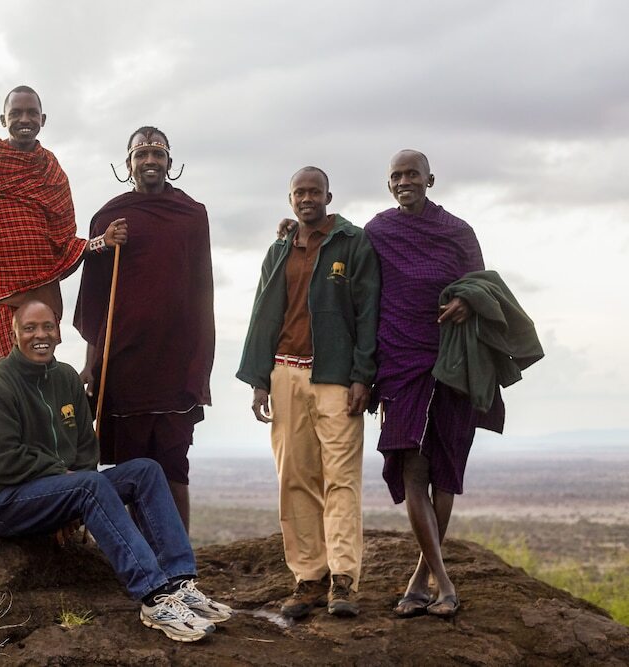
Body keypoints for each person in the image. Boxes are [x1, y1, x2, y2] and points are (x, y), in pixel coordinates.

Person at [0, 300, 231, 642]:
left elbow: (86, 448)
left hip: (57, 491)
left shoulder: (66, 379)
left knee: (145, 471)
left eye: (47, 326)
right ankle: (154, 598)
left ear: (58, 332)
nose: (40, 335)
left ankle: (180, 582)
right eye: (29, 328)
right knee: (88, 486)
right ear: (14, 335)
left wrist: (68, 499)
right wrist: (62, 479)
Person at [364, 150, 502, 619]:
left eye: (412, 174)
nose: (404, 181)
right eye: (396, 176)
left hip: (453, 361)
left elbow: (485, 285)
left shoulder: (457, 232)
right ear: (388, 184)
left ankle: (421, 579)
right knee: (412, 468)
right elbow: (344, 259)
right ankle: (443, 583)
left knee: (444, 469)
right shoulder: (378, 231)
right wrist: (289, 232)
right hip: (400, 360)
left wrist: (467, 300)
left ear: (430, 179)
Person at [237, 167, 379, 619]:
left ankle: (343, 579)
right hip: (285, 373)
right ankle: (309, 578)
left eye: (314, 191)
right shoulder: (279, 249)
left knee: (341, 478)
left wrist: (363, 375)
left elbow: (368, 313)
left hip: (336, 377)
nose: (306, 198)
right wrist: (259, 380)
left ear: (328, 196)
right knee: (294, 479)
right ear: (290, 199)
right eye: (299, 192)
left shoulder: (353, 243)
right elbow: (263, 314)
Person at [74, 127, 214, 531]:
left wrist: (200, 360)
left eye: (157, 153)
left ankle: (179, 556)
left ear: (170, 161)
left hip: (176, 360)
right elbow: (95, 298)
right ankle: (140, 556)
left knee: (174, 466)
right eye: (141, 154)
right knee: (133, 468)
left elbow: (202, 290)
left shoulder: (192, 214)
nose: (149, 161)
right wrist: (92, 364)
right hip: (125, 362)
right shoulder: (110, 217)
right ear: (128, 163)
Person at [0, 85, 126, 364]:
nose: (25, 119)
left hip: (43, 294)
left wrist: (101, 242)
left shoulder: (51, 170)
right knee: (3, 373)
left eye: (32, 113)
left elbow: (65, 242)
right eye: (16, 113)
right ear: (3, 120)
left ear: (42, 119)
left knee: (40, 374)